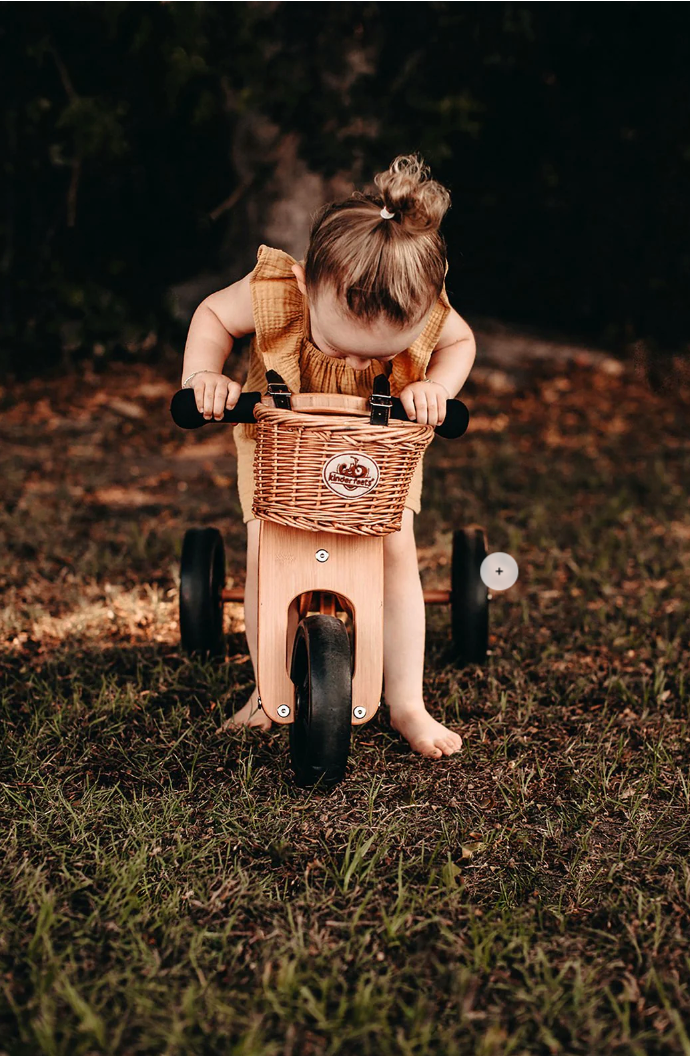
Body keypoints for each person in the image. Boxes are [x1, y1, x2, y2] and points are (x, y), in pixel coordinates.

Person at [180, 153, 476, 759]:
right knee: (269, 552)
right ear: (308, 284)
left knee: (395, 551)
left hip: (378, 453)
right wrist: (202, 375)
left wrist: (436, 389)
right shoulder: (276, 290)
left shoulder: (421, 302)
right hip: (282, 450)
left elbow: (460, 341)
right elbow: (212, 315)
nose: (360, 366)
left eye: (380, 357)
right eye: (342, 348)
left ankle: (406, 702)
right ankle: (268, 694)